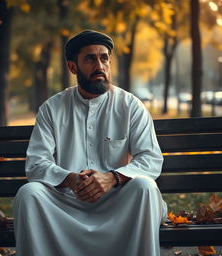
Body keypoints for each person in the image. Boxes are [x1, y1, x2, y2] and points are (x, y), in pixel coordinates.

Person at [13, 29, 167, 256]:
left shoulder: (130, 105)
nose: (100, 65)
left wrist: (112, 177)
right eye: (90, 58)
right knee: (28, 194)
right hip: (66, 204)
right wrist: (72, 179)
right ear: (72, 67)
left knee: (145, 187)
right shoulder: (52, 109)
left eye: (104, 58)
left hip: (117, 201)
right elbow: (36, 164)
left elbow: (150, 158)